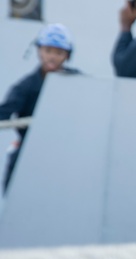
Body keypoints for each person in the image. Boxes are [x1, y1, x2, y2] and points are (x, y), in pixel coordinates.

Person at [0, 24, 81, 193]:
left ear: (67, 56)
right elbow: (4, 113)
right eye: (48, 51)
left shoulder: (78, 82)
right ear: (39, 51)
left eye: (59, 53)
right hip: (29, 152)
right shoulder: (25, 87)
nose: (52, 57)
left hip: (65, 152)